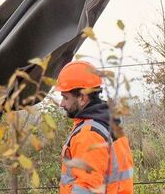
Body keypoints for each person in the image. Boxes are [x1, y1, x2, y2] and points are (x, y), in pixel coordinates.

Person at [56, 60, 133, 194]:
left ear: (82, 97)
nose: (61, 104)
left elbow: (86, 189)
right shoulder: (107, 122)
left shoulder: (89, 134)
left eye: (65, 97)